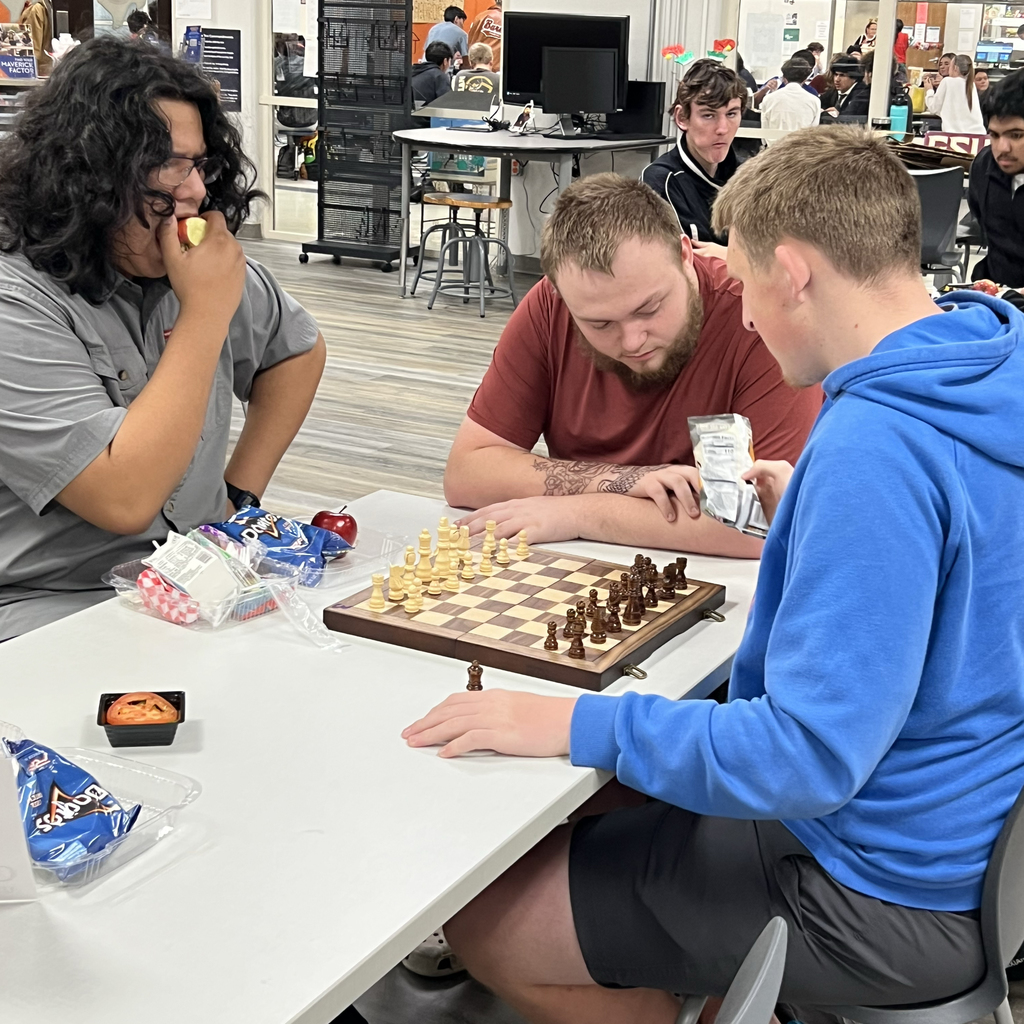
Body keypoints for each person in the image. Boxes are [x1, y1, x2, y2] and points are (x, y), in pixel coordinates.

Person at [405, 126, 1024, 1024]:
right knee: (607, 815)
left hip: (877, 891)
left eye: (745, 281)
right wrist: (807, 506)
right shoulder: (984, 368)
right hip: (964, 836)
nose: (739, 315)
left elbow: (805, 757)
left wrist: (570, 720)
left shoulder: (876, 446)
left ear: (794, 271)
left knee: (487, 920)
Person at [0, 37, 325, 642]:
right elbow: (123, 499)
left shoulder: (185, 261)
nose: (196, 191)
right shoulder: (16, 299)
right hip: (50, 606)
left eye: (198, 164)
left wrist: (239, 495)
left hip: (196, 582)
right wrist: (203, 316)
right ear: (87, 171)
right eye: (167, 166)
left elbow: (298, 351)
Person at [442, 173, 821, 553]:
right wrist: (624, 480)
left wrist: (577, 513)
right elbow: (468, 473)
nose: (632, 340)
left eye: (649, 308)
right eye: (600, 323)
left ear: (685, 255)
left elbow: (758, 519)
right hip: (579, 564)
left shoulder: (755, 319)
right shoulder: (549, 307)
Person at [640, 60, 747, 243]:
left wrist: (720, 254)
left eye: (731, 114)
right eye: (708, 115)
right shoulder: (661, 180)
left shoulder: (748, 175)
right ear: (682, 118)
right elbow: (677, 261)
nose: (722, 128)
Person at [969, 70, 1024, 286]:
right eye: (994, 135)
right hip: (997, 299)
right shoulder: (984, 168)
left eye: (1016, 135)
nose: (1002, 148)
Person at [926, 54, 985, 134]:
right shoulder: (971, 85)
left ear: (955, 68)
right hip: (978, 135)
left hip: (955, 136)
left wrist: (929, 90)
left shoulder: (947, 81)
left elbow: (933, 108)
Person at [758, 59, 821, 130]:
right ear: (805, 78)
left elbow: (764, 130)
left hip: (774, 141)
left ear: (784, 78)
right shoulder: (815, 101)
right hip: (801, 141)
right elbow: (813, 132)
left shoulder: (768, 99)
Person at [411, 41, 452, 105]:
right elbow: (446, 103)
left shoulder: (412, 71)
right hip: (429, 114)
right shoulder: (439, 76)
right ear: (445, 61)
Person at [466, 0, 502, 73]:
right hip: (497, 71)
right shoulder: (506, 19)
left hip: (476, 67)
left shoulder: (480, 17)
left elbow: (470, 41)